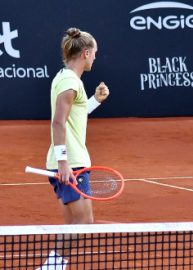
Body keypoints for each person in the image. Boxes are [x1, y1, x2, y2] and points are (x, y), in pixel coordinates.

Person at [38, 27, 109, 270]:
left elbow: (72, 118)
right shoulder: (70, 81)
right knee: (85, 221)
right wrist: (63, 162)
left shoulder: (66, 78)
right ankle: (51, 267)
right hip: (72, 163)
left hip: (69, 160)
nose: (96, 57)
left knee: (72, 223)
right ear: (86, 53)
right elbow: (58, 122)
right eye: (95, 53)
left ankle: (54, 266)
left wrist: (95, 101)